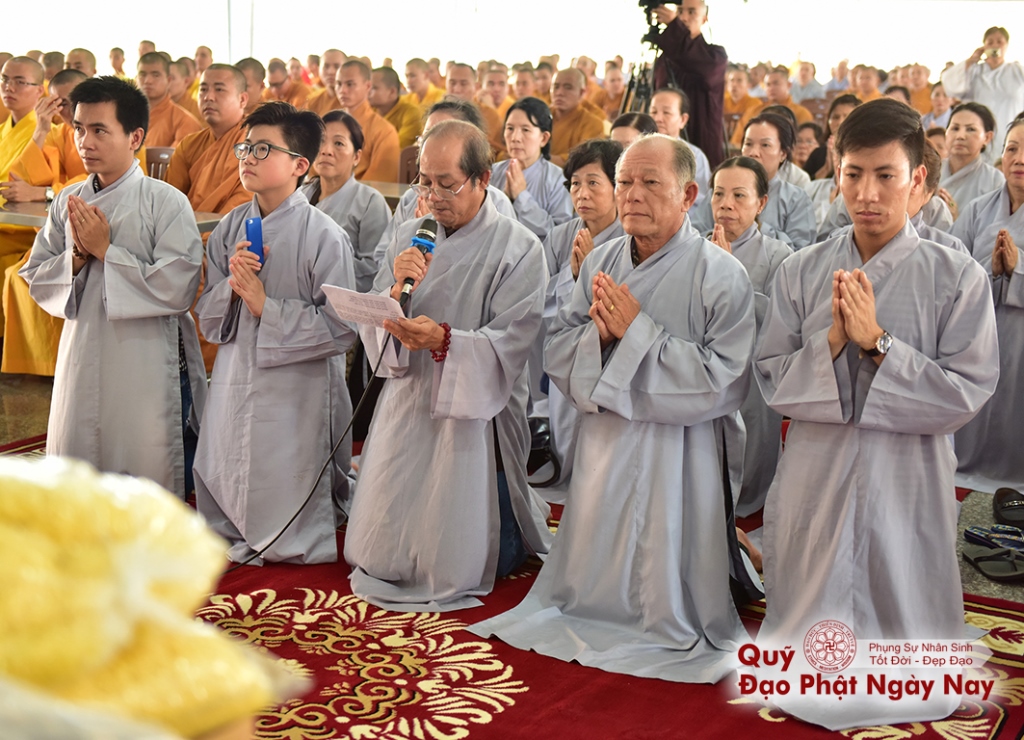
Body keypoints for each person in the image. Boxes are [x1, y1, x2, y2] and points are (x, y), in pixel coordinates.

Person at [471, 133, 756, 682]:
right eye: (625, 182)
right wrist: (601, 342)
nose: (632, 195)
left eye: (651, 183)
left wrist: (636, 334)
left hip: (682, 452)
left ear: (689, 193)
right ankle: (594, 601)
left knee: (668, 573)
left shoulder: (721, 274)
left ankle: (672, 608)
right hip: (606, 440)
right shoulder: (600, 259)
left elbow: (725, 380)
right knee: (597, 554)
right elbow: (558, 347)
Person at [754, 99, 998, 729]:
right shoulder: (803, 270)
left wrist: (878, 344)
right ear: (835, 173)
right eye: (854, 173)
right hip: (819, 463)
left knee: (901, 570)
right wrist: (831, 344)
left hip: (905, 469)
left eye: (885, 175)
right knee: (815, 572)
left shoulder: (957, 275)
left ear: (917, 179)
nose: (867, 192)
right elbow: (770, 378)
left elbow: (967, 391)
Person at [346, 119, 553, 611]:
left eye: (447, 183)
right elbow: (377, 322)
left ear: (483, 179)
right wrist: (394, 295)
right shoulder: (409, 236)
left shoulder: (518, 247)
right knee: (381, 550)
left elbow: (513, 341)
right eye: (425, 181)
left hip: (474, 415)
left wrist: (444, 341)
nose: (433, 195)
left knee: (474, 549)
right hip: (407, 398)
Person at [20, 75, 208, 499]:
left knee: (138, 448)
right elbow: (36, 273)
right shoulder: (69, 198)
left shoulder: (166, 201)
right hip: (83, 345)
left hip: (143, 354)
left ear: (135, 136)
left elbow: (178, 286)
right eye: (79, 129)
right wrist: (77, 259)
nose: (85, 141)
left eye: (100, 130)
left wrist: (107, 251)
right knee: (79, 441)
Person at [194, 101, 357, 565]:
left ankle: (290, 529)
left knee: (284, 472)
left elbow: (341, 328)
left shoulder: (323, 235)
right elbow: (208, 316)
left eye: (263, 148)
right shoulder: (230, 226)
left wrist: (268, 307)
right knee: (227, 455)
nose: (247, 155)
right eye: (245, 146)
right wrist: (231, 287)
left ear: (300, 166)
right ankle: (229, 522)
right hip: (236, 370)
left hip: (297, 388)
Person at [708, 156, 791, 517]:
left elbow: (780, 324)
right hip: (703, 375)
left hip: (752, 380)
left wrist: (732, 277)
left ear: (761, 204)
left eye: (739, 195)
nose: (726, 204)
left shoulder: (779, 256)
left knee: (749, 464)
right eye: (719, 194)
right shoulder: (695, 248)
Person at [540, 139, 624, 490]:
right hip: (568, 355)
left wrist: (588, 279)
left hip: (608, 364)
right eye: (575, 183)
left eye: (593, 182)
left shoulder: (629, 239)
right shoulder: (561, 237)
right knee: (565, 442)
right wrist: (574, 279)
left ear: (617, 187)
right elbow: (540, 303)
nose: (582, 193)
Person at [951, 115, 1024, 490]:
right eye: (1012, 148)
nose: (1019, 158)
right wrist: (990, 269)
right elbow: (952, 269)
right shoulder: (979, 208)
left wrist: (1018, 268)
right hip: (978, 332)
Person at [0, 68, 88, 376]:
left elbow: (96, 183)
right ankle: (36, 366)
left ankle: (58, 364)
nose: (65, 110)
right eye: (59, 102)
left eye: (72, 101)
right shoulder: (58, 132)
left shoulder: (103, 130)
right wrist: (39, 128)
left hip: (86, 235)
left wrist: (46, 192)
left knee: (21, 275)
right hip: (52, 231)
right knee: (17, 276)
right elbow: (20, 179)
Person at [373, 99, 516, 263]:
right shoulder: (411, 197)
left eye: (446, 185)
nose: (433, 196)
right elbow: (382, 258)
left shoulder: (498, 204)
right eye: (428, 135)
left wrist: (434, 236)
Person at [301, 110, 390, 292]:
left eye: (339, 143)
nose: (326, 151)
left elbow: (375, 269)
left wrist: (320, 269)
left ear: (356, 156)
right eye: (321, 141)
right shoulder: (300, 194)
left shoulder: (370, 202)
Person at [652, 0, 727, 167]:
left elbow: (695, 62)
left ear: (704, 18)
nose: (684, 17)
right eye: (680, 11)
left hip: (701, 136)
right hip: (665, 141)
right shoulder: (664, 59)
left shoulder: (715, 56)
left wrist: (674, 28)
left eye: (692, 12)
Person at [491, 97, 572, 242]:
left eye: (525, 130)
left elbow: (559, 235)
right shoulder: (492, 173)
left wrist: (521, 197)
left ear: (544, 138)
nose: (515, 138)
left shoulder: (558, 180)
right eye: (510, 129)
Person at [735, 112, 816, 248]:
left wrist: (754, 227)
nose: (753, 152)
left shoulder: (796, 199)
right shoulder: (721, 189)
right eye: (748, 144)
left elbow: (802, 254)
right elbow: (698, 233)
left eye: (765, 145)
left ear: (783, 154)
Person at [941, 26, 1024, 158]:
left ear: (1006, 45)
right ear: (984, 46)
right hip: (979, 137)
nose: (995, 45)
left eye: (999, 42)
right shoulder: (974, 71)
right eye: (990, 42)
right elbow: (950, 86)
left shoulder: (1017, 71)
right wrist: (971, 61)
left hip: (1010, 134)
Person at [649, 87, 711, 215]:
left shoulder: (695, 156)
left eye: (666, 113)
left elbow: (701, 204)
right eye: (653, 112)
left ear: (683, 120)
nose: (658, 118)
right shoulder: (637, 154)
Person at [336, 60, 400, 182]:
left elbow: (380, 181)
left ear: (368, 86)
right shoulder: (330, 125)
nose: (342, 90)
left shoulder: (384, 130)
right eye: (338, 84)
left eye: (350, 84)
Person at [940, 102, 1005, 217]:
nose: (960, 136)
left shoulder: (995, 181)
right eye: (955, 128)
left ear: (987, 137)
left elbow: (993, 229)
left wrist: (958, 221)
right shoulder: (930, 170)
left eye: (970, 129)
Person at [730, 66, 813, 149]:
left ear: (789, 85)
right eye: (768, 85)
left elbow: (805, 144)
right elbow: (737, 140)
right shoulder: (754, 111)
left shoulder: (801, 113)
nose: (771, 88)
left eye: (776, 83)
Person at [136, 52, 201, 148]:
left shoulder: (184, 121)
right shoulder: (124, 116)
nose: (148, 81)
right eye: (142, 75)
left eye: (156, 75)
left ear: (168, 80)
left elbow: (176, 160)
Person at [548, 68, 604, 166]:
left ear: (582, 92)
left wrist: (539, 159)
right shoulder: (541, 116)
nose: (559, 92)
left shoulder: (593, 123)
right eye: (556, 86)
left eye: (568, 87)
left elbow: (581, 161)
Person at [804, 93, 861, 181]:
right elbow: (804, 190)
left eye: (847, 117)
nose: (840, 122)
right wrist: (826, 169)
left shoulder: (865, 154)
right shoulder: (818, 154)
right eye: (835, 117)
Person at [369, 66, 421, 149]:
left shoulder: (411, 113)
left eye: (373, 88)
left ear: (392, 92)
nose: (367, 92)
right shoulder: (368, 111)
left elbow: (394, 149)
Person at [303, 49, 343, 117]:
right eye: (326, 66)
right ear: (319, 69)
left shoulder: (356, 100)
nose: (331, 72)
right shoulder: (313, 100)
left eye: (337, 66)